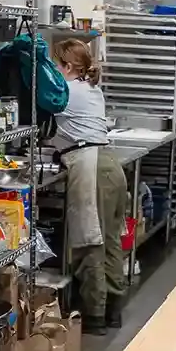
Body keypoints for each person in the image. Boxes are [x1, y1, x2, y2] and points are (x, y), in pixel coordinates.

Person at [48, 38, 130, 333]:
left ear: (67, 67)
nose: (52, 71)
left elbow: (44, 106)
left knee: (89, 243)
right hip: (109, 164)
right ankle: (113, 312)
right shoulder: (89, 88)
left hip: (90, 164)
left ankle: (94, 317)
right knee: (109, 243)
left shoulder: (67, 91)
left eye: (55, 65)